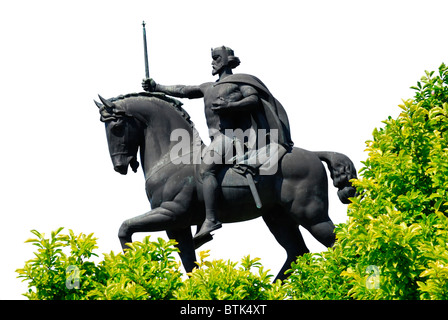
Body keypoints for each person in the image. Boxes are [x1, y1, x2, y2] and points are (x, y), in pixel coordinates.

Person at [142, 46, 293, 242]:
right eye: (212, 59)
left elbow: (253, 100)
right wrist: (157, 87)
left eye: (216, 58)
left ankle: (211, 219)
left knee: (206, 169)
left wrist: (230, 106)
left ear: (226, 60)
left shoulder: (239, 82)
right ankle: (197, 217)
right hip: (215, 139)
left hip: (231, 137)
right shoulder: (208, 87)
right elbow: (184, 90)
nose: (212, 62)